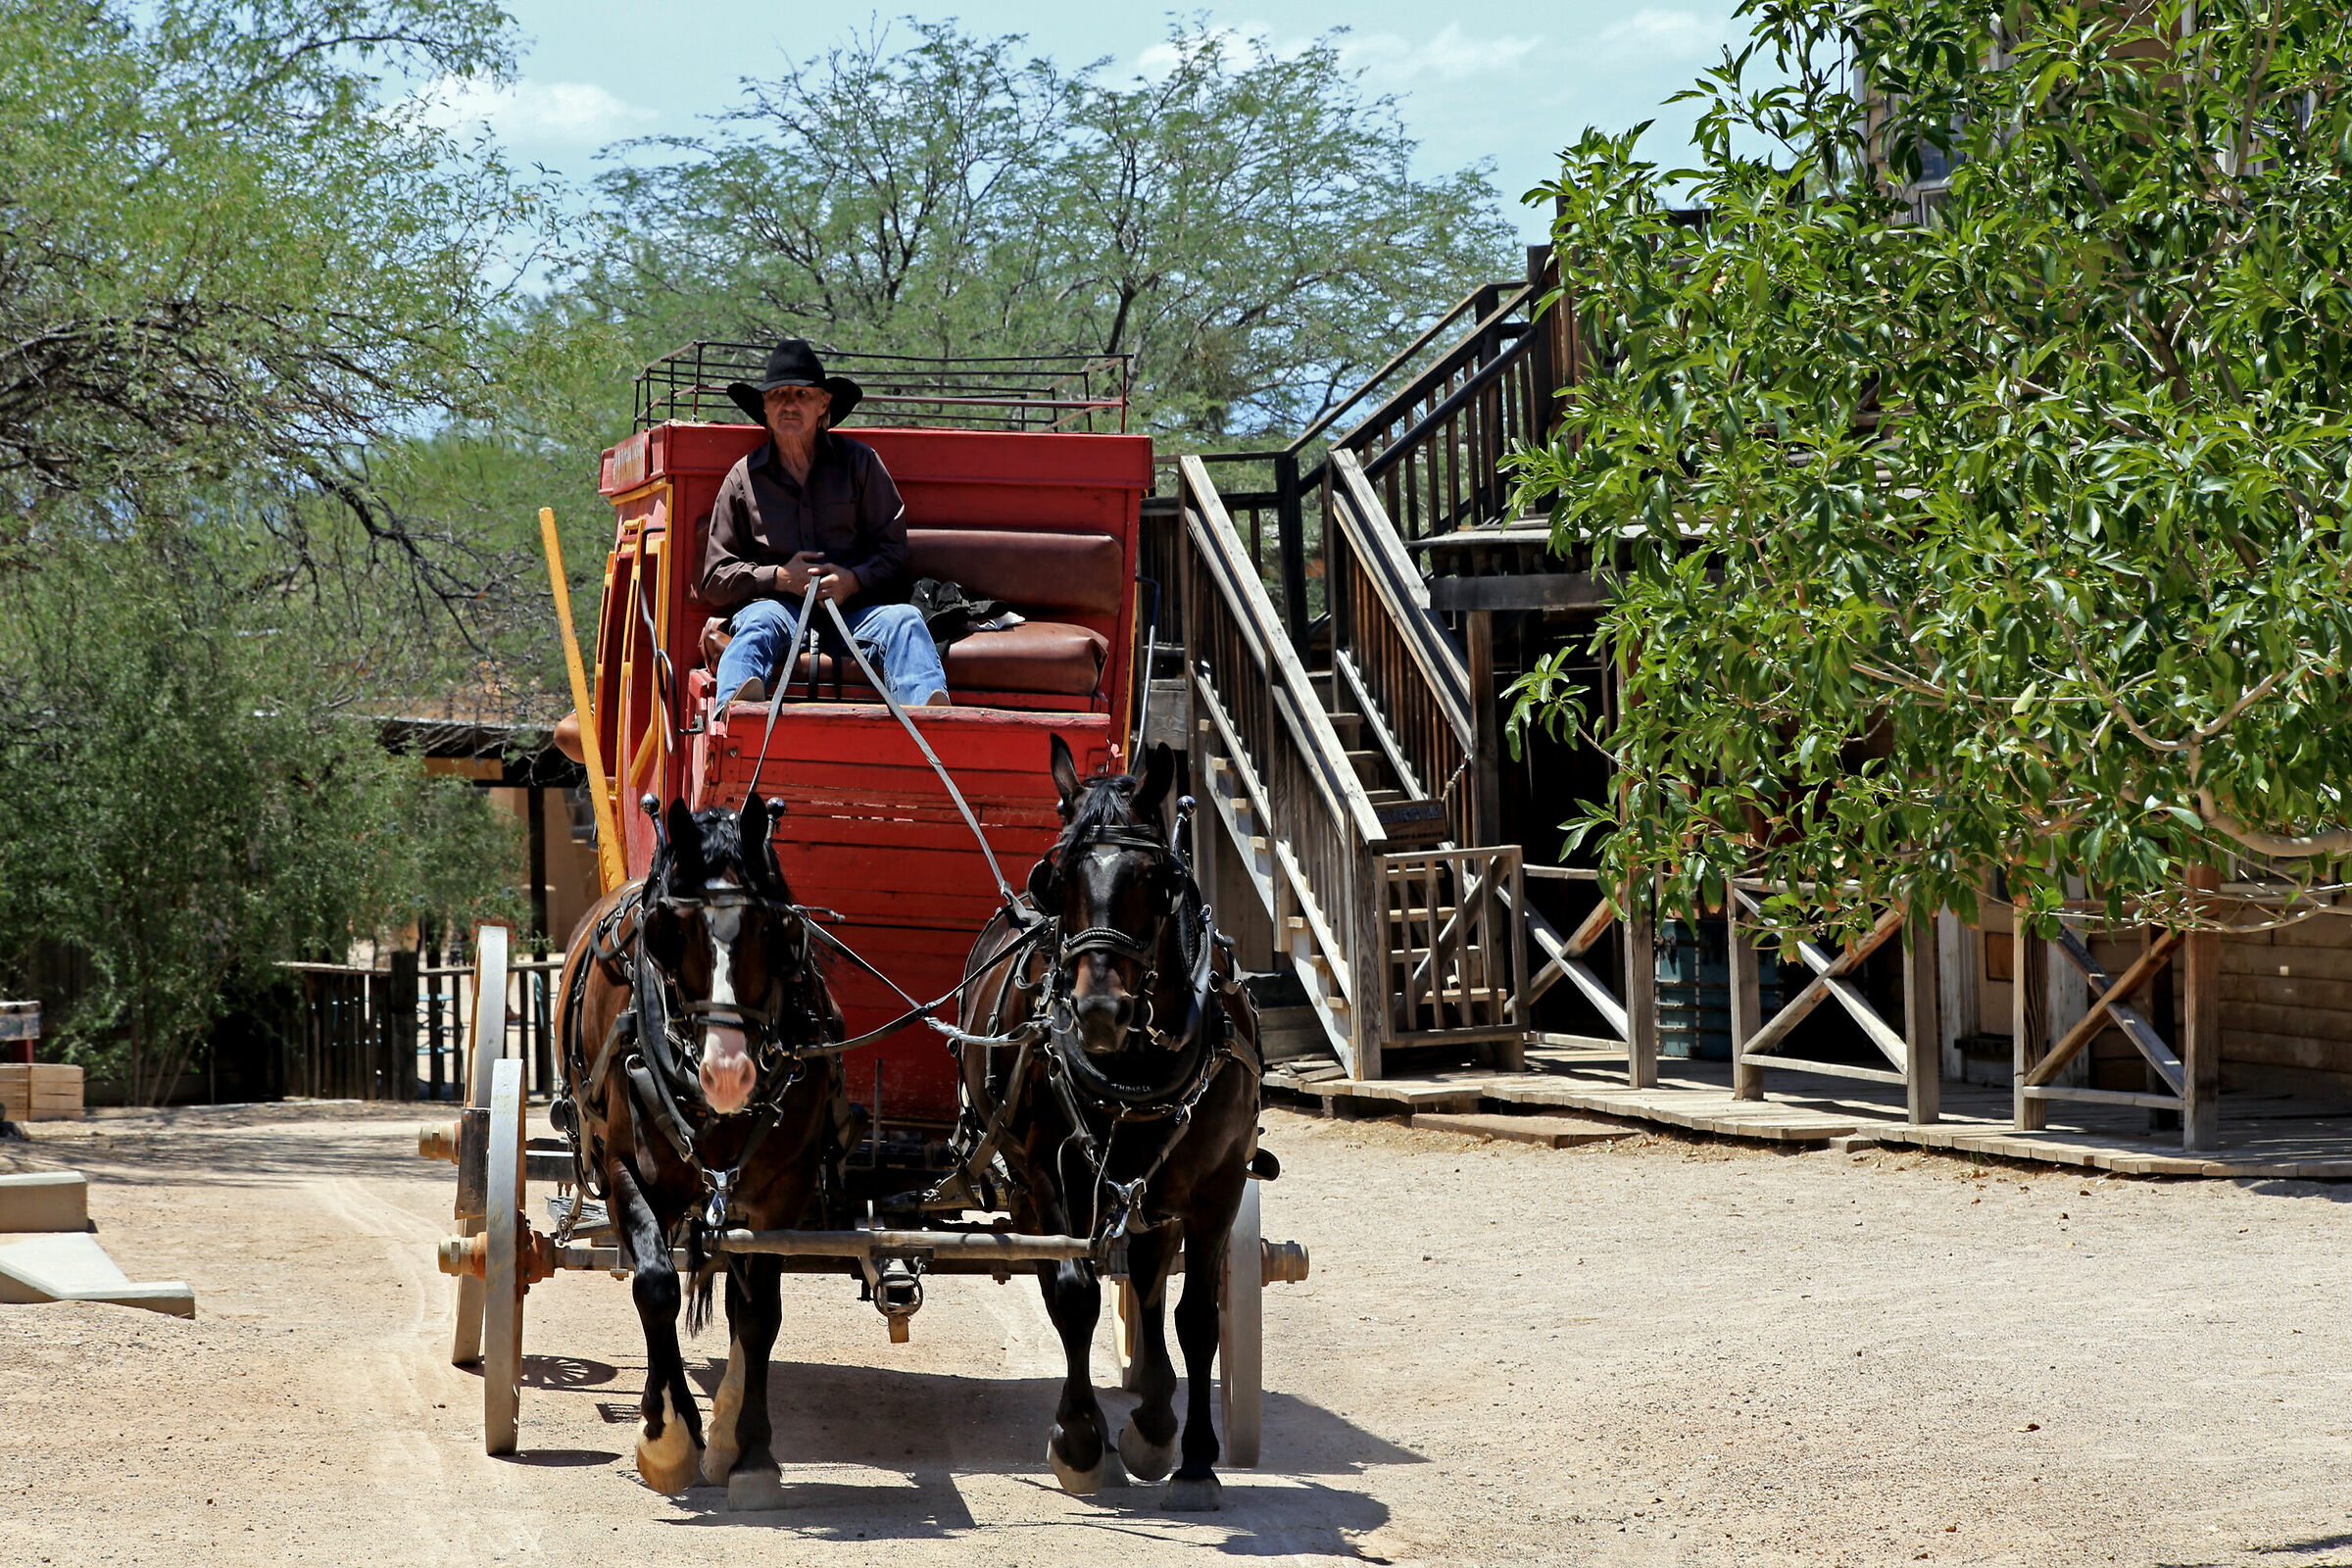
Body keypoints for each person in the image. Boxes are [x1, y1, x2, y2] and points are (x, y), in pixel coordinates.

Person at [702, 339, 951, 710]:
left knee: (906, 620)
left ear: (823, 404)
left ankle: (934, 728)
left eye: (802, 394)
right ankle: (736, 726)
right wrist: (780, 577)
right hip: (779, 611)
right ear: (765, 408)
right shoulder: (743, 478)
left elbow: (892, 549)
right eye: (778, 395)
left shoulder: (861, 465)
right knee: (756, 623)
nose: (789, 404)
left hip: (857, 614)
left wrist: (853, 580)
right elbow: (715, 578)